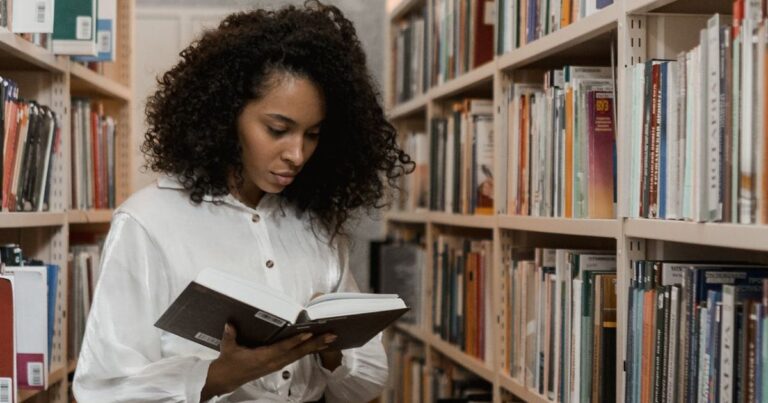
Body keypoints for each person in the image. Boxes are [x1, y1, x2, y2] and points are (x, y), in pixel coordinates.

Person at [72, 2, 412, 402]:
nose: (297, 154)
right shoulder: (148, 222)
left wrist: (331, 350)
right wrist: (217, 377)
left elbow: (365, 386)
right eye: (278, 129)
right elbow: (102, 390)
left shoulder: (316, 227)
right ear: (226, 115)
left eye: (313, 134)